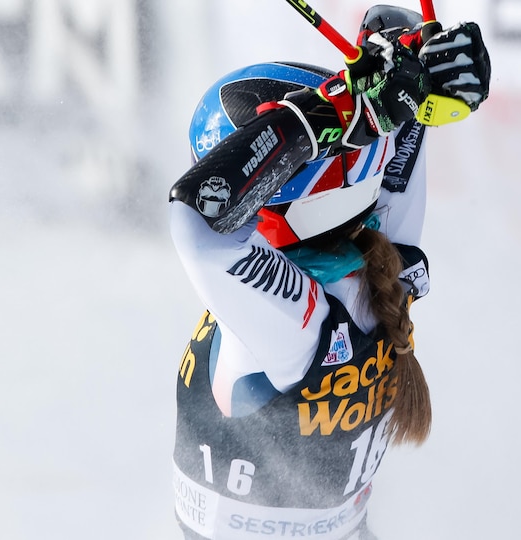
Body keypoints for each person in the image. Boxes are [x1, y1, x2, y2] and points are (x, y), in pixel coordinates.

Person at [168, 5, 491, 539]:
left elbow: (198, 215)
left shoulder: (295, 323)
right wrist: (413, 56)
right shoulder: (382, 256)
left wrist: (329, 115)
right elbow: (400, 128)